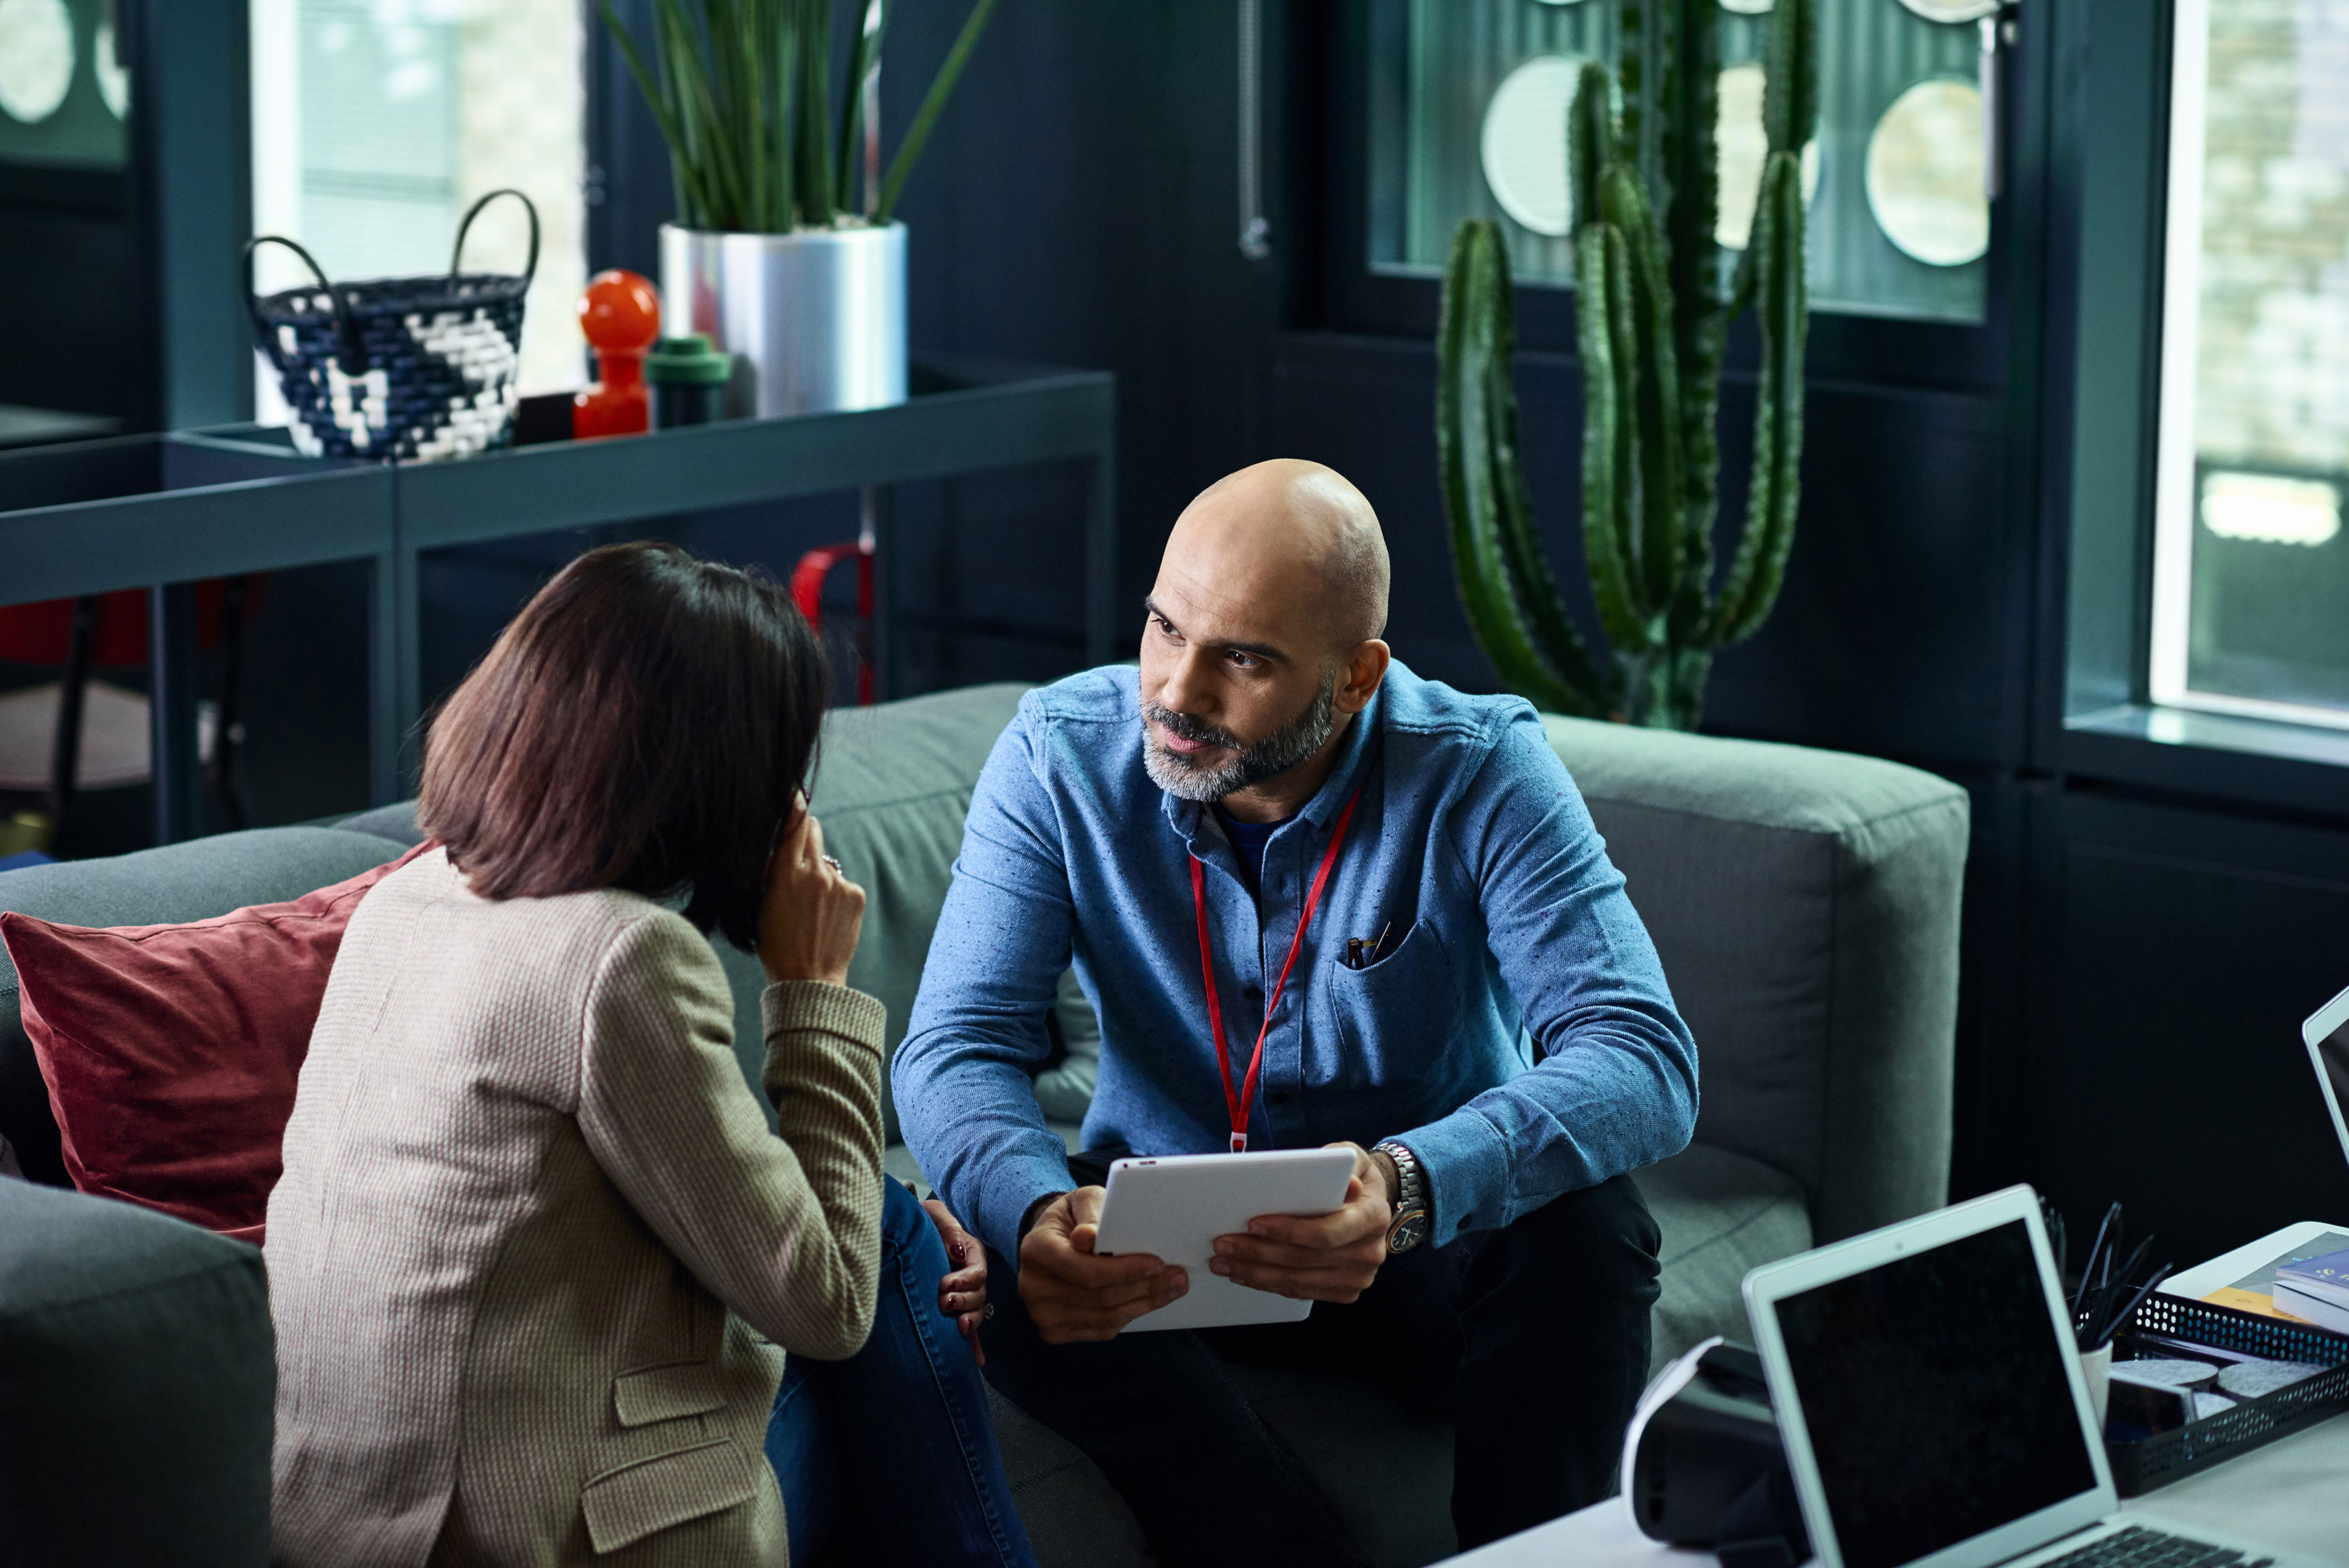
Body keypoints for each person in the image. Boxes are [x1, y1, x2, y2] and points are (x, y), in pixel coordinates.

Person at [893, 460, 1699, 1562]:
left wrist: (1409, 1186)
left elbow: (1643, 1054)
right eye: (1166, 629)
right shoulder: (1058, 752)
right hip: (1162, 1253)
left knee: (1589, 1236)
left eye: (1244, 659)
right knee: (1010, 1271)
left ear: (1358, 676)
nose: (1177, 693)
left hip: (1410, 1247)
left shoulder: (1479, 767)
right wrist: (1035, 1213)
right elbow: (956, 1047)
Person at [265, 542, 1037, 1568]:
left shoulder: (402, 903)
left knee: (881, 1237)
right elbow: (832, 1302)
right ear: (725, 776)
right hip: (520, 1538)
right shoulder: (619, 958)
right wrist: (814, 988)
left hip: (342, 1525)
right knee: (892, 1237)